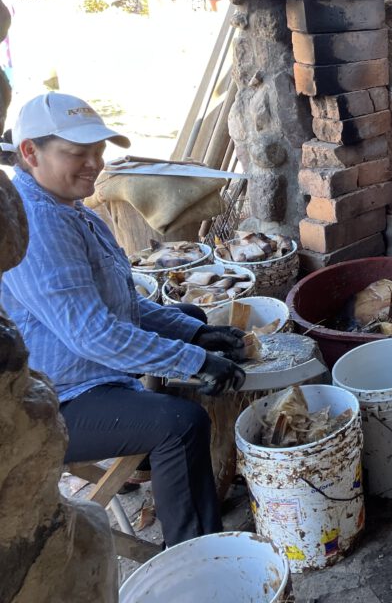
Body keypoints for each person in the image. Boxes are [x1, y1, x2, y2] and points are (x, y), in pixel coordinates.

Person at [0, 92, 247, 547]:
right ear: (30, 152)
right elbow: (94, 334)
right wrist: (195, 361)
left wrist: (197, 333)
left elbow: (123, 306)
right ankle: (197, 556)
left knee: (190, 315)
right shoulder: (40, 224)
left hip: (88, 370)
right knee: (182, 423)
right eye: (78, 154)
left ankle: (163, 465)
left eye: (98, 151)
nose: (94, 164)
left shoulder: (68, 207)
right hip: (58, 400)